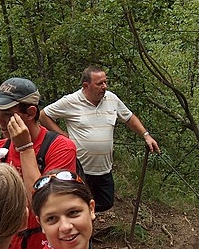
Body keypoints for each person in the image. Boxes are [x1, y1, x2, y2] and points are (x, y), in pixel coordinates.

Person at [0, 78, 78, 249]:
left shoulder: (61, 148)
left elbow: (42, 206)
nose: (0, 122)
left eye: (8, 114)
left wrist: (25, 148)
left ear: (31, 113)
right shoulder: (1, 148)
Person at [39, 65, 160, 212]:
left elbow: (129, 118)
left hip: (104, 168)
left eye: (105, 82)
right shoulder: (71, 101)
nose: (104, 86)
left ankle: (87, 217)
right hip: (80, 168)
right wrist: (62, 135)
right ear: (86, 85)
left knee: (105, 202)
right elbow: (44, 115)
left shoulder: (112, 99)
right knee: (79, 203)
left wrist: (146, 135)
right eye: (99, 83)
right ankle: (84, 223)